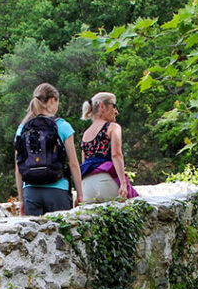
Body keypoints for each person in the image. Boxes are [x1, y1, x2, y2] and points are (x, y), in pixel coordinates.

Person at [14, 83, 84, 216]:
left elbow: (18, 167)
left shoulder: (22, 128)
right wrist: (80, 194)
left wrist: (21, 199)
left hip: (31, 191)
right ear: (52, 100)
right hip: (58, 190)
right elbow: (73, 164)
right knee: (62, 234)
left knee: (33, 235)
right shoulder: (62, 126)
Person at [80, 92, 138, 203]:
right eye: (114, 106)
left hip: (86, 185)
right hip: (106, 181)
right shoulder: (112, 127)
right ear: (102, 106)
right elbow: (116, 155)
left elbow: (84, 163)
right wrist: (123, 183)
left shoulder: (85, 134)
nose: (116, 112)